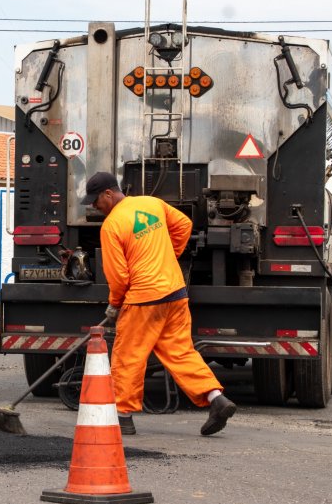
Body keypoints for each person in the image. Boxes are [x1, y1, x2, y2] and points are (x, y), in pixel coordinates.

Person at [81, 171, 236, 436]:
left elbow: (118, 276)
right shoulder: (152, 204)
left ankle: (123, 416)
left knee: (128, 355)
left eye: (95, 201)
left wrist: (115, 304)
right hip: (174, 292)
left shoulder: (112, 225)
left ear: (108, 194)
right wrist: (167, 255)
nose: (94, 206)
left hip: (143, 299)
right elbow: (184, 225)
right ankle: (215, 399)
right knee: (180, 351)